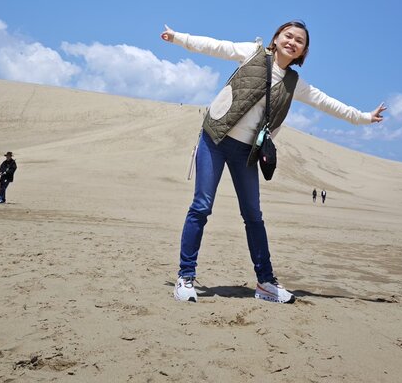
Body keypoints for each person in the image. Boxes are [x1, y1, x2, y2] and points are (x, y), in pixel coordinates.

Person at [160, 21, 386, 305]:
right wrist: (178, 38)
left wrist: (363, 117)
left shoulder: (294, 84)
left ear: (303, 51)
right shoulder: (252, 52)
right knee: (201, 207)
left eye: (299, 41)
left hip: (246, 152)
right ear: (277, 38)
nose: (292, 42)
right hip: (215, 139)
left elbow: (327, 103)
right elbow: (215, 46)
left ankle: (265, 282)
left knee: (253, 216)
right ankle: (185, 277)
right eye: (288, 36)